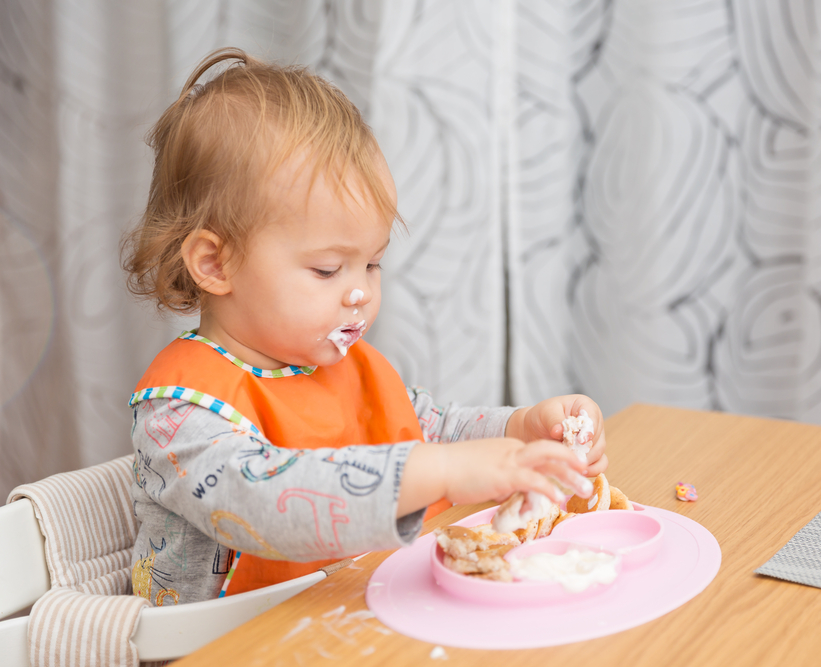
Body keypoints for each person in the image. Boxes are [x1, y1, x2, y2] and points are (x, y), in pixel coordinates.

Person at [120, 48, 608, 606]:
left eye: (372, 264)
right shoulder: (180, 410)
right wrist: (443, 473)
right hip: (227, 647)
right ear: (215, 263)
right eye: (328, 269)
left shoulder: (348, 366)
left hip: (348, 617)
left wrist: (522, 431)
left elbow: (434, 428)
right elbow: (264, 501)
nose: (360, 293)